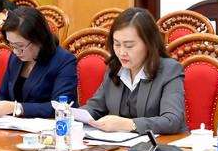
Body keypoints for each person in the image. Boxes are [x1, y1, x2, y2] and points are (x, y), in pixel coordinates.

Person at [80, 7, 188, 135]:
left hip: (162, 148)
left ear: (149, 43)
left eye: (129, 45)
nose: (121, 52)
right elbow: (94, 108)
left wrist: (128, 124)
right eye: (117, 44)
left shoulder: (169, 70)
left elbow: (172, 121)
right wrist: (70, 116)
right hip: (122, 149)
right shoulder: (115, 68)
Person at [0, 7, 77, 118]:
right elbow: (3, 95)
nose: (16, 51)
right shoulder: (15, 58)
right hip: (13, 127)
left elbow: (61, 107)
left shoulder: (64, 61)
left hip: (49, 129)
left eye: (20, 46)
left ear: (39, 39)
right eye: (11, 45)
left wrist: (17, 108)